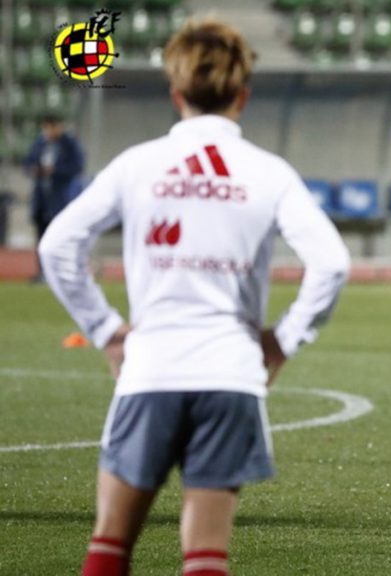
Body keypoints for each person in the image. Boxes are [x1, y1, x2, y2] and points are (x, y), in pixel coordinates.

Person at [38, 18, 351, 575]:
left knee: (110, 547)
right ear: (243, 96)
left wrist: (106, 331)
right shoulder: (268, 172)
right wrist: (281, 342)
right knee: (206, 556)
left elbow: (58, 244)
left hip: (151, 370)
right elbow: (331, 263)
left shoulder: (138, 164)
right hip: (231, 375)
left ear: (176, 93)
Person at [24, 113, 85, 281]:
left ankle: (62, 273)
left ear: (59, 126)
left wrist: (55, 171)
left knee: (61, 238)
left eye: (52, 127)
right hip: (42, 200)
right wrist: (34, 168)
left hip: (61, 201)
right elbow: (27, 162)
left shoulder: (70, 144)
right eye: (46, 127)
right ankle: (43, 272)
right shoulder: (40, 144)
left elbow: (77, 166)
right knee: (41, 239)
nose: (49, 131)